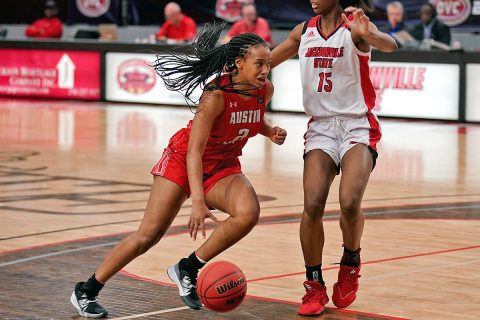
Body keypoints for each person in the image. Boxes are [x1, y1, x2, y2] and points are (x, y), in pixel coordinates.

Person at [70, 22, 287, 318]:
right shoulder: (214, 96)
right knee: (148, 236)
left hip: (222, 165)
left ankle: (188, 268)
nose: (265, 71)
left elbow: (250, 118)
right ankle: (87, 290)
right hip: (184, 160)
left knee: (248, 213)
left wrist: (270, 130)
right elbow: (195, 152)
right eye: (259, 64)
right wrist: (197, 200)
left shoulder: (265, 90)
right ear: (238, 63)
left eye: (269, 64)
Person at [271, 0, 397, 316]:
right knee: (312, 204)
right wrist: (233, 70)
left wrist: (366, 32)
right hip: (321, 127)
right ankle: (313, 285)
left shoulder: (355, 26)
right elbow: (265, 61)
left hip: (356, 124)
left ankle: (351, 261)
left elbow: (390, 44)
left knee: (350, 202)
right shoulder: (303, 32)